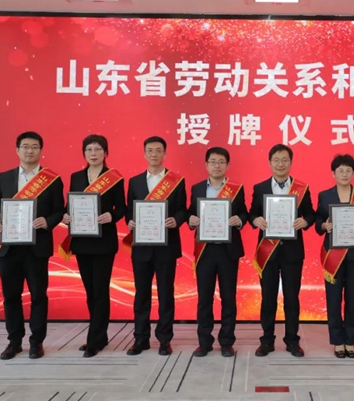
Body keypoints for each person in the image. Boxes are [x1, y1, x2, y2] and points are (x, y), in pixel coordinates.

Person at [0, 131, 64, 360]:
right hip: (9, 248)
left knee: (38, 296)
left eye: (35, 147)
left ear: (41, 151)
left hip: (36, 248)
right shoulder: (5, 177)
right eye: (26, 146)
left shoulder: (52, 180)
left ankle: (37, 342)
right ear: (17, 150)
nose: (30, 151)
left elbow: (59, 210)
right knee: (11, 296)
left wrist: (47, 221)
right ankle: (14, 341)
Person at [61, 135, 126, 358]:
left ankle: (94, 340)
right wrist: (66, 216)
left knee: (100, 290)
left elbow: (122, 208)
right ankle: (100, 335)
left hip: (103, 242)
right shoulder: (76, 177)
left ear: (106, 153)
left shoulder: (114, 178)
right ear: (84, 153)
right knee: (90, 291)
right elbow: (70, 205)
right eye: (89, 149)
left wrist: (112, 216)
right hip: (81, 241)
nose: (93, 153)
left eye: (98, 149)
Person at [249, 144, 315, 358]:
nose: (280, 164)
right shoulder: (260, 188)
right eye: (276, 160)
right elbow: (252, 214)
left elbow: (311, 214)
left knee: (291, 298)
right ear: (269, 162)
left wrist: (304, 221)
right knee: (267, 298)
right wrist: (255, 220)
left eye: (284, 160)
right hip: (267, 252)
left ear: (291, 162)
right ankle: (267, 341)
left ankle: (292, 341)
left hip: (292, 252)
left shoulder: (301, 188)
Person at [124, 136, 187, 356]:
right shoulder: (135, 182)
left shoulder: (176, 181)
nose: (154, 154)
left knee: (166, 294)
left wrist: (176, 220)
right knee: (141, 294)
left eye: (158, 150)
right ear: (144, 154)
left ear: (165, 153)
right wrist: (130, 222)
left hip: (166, 247)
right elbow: (129, 211)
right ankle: (140, 339)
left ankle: (164, 339)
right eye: (150, 150)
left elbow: (183, 210)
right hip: (141, 247)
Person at [187, 147, 248, 358]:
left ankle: (226, 342)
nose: (217, 165)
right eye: (213, 161)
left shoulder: (236, 189)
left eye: (221, 162)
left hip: (227, 250)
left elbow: (244, 213)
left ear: (227, 165)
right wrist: (191, 220)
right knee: (204, 298)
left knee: (228, 298)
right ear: (206, 165)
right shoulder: (196, 188)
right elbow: (190, 213)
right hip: (205, 250)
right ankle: (204, 342)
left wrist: (239, 220)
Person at [316, 154, 354, 358]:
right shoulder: (325, 195)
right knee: (333, 298)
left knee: (353, 298)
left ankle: (350, 341)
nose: (345, 174)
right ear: (333, 173)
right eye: (340, 170)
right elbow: (318, 219)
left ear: (353, 173)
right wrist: (324, 225)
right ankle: (337, 341)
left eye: (348, 170)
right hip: (333, 254)